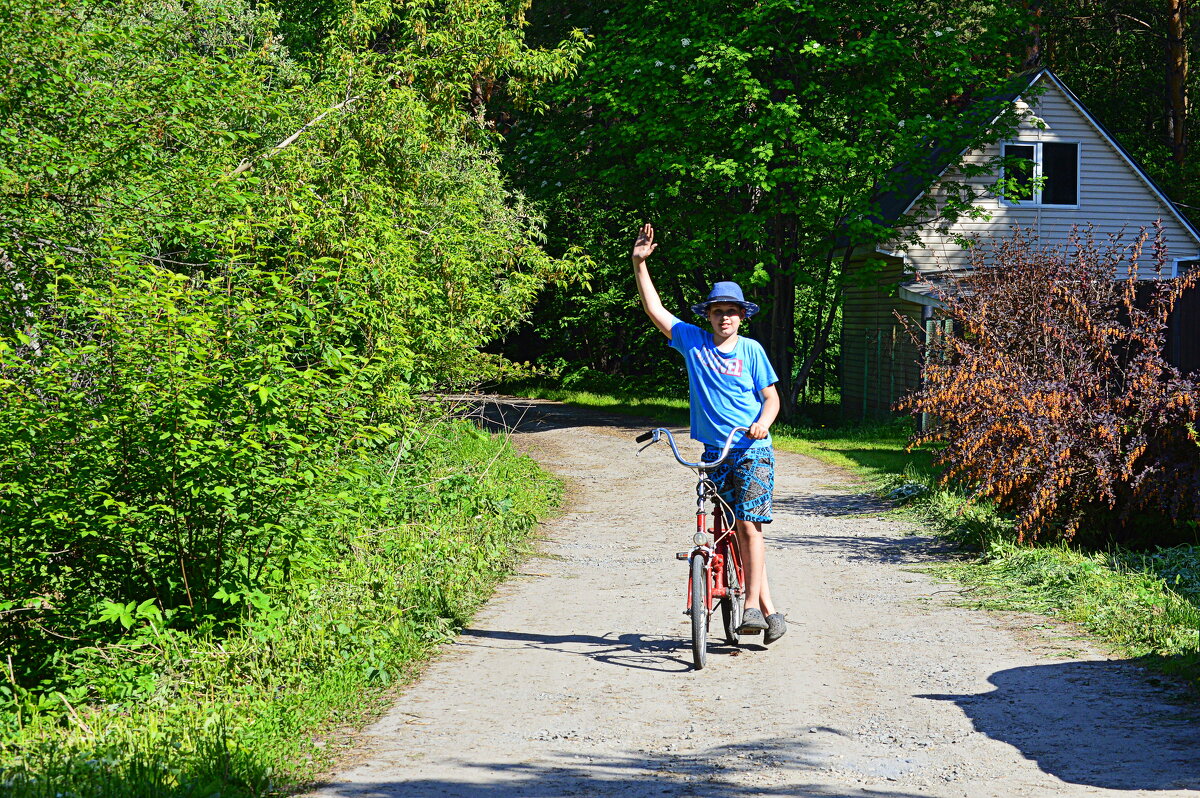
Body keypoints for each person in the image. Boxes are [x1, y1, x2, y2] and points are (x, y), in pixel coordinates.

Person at [631, 222, 785, 644]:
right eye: (718, 311)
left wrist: (762, 424)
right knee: (727, 530)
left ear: (741, 316)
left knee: (750, 526)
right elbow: (655, 311)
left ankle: (752, 608)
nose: (724, 318)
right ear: (709, 316)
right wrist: (639, 265)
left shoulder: (752, 351)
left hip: (752, 449)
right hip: (714, 453)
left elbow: (772, 400)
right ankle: (771, 611)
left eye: (731, 311)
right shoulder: (693, 342)